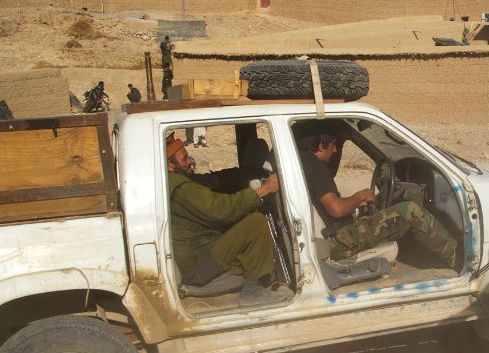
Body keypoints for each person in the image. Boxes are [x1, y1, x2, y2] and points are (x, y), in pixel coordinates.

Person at [296, 126, 457, 267]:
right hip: (340, 240)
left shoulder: (302, 161)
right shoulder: (316, 168)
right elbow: (336, 209)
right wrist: (359, 196)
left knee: (378, 208)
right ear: (320, 145)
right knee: (411, 211)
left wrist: (357, 203)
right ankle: (455, 256)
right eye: (333, 145)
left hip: (331, 234)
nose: (335, 150)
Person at [166, 135, 284, 306]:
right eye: (184, 158)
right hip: (197, 259)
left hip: (196, 252)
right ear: (170, 165)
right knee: (256, 222)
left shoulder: (175, 181)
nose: (189, 162)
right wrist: (263, 190)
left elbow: (212, 189)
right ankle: (252, 293)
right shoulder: (180, 187)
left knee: (241, 226)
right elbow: (221, 210)